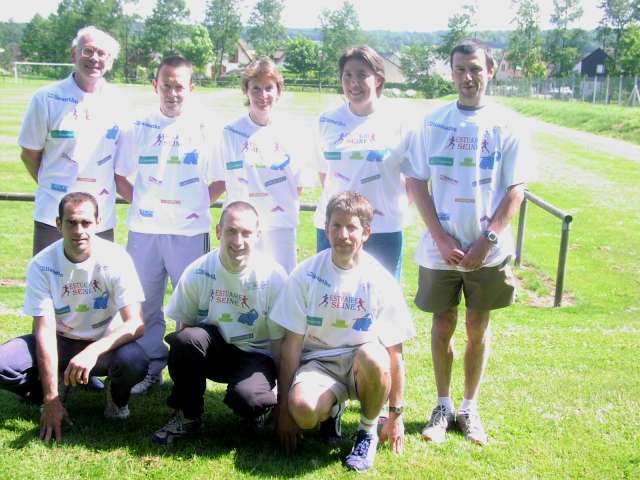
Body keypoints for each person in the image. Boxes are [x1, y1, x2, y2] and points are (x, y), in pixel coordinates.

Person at [405, 39, 529, 446]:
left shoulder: (507, 124)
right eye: (460, 69)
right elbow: (415, 182)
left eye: (475, 68)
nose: (467, 76)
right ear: (452, 72)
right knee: (443, 324)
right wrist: (440, 238)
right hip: (440, 249)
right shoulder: (433, 123)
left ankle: (469, 407)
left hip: (486, 250)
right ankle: (442, 406)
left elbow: (515, 190)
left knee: (478, 325)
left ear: (490, 70)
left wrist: (487, 241)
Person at [272, 191, 415, 473]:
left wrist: (396, 414)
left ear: (366, 233)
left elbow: (395, 352)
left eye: (352, 227)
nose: (343, 235)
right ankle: (332, 409)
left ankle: (366, 433)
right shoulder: (305, 274)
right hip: (319, 364)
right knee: (303, 411)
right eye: (336, 226)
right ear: (326, 228)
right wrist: (284, 410)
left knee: (374, 356)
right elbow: (291, 347)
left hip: (362, 364)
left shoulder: (380, 280)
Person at [0, 192, 148, 443]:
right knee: (3, 364)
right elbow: (44, 331)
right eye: (71, 222)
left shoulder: (117, 258)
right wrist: (50, 399)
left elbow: (136, 323)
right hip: (61, 339)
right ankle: (46, 393)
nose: (79, 230)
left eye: (86, 223)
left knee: (134, 361)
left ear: (98, 223)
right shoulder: (42, 264)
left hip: (103, 345)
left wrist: (92, 351)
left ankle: (116, 398)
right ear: (59, 224)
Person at [114, 55, 223, 394]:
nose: (172, 93)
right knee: (145, 301)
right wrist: (144, 206)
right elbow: (120, 176)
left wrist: (193, 208)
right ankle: (151, 367)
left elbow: (220, 180)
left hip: (190, 232)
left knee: (190, 306)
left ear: (192, 88)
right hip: (144, 231)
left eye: (179, 86)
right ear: (155, 86)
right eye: (166, 86)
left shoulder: (207, 127)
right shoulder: (138, 126)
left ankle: (186, 371)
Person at [151, 201, 287, 445]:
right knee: (185, 340)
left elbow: (279, 343)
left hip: (256, 357)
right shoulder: (198, 271)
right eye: (231, 231)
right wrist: (185, 383)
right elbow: (184, 331)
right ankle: (188, 416)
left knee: (249, 399)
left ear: (257, 235)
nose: (238, 241)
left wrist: (283, 401)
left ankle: (255, 406)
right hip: (215, 352)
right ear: (218, 231)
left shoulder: (273, 276)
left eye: (246, 233)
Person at [18, 26, 123, 256]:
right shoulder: (46, 98)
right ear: (74, 54)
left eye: (102, 53)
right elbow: (29, 154)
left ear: (110, 61)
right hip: (53, 216)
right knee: (50, 278)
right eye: (88, 51)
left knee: (99, 279)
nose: (94, 58)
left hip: (100, 219)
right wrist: (55, 186)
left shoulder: (119, 101)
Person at [313, 46, 411, 278]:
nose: (353, 82)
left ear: (378, 79)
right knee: (332, 293)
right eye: (347, 75)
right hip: (334, 228)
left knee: (380, 296)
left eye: (362, 75)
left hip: (383, 228)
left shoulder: (400, 120)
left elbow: (414, 179)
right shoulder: (327, 120)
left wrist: (392, 209)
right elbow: (325, 175)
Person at [213, 57, 302, 273]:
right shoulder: (230, 132)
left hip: (280, 226)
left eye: (269, 88)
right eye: (256, 89)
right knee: (240, 282)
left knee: (281, 285)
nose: (263, 95)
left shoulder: (294, 131)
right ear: (246, 91)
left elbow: (298, 185)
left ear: (278, 91)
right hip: (241, 229)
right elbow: (221, 179)